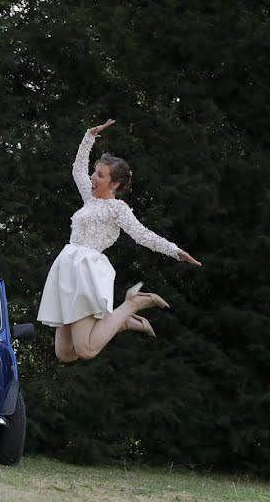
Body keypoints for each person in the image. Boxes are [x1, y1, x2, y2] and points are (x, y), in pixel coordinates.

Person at [37, 119, 201, 362]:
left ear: (114, 184)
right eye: (95, 171)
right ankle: (122, 323)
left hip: (85, 273)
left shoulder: (117, 209)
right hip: (66, 269)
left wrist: (175, 251)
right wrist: (88, 137)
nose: (93, 177)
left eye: (100, 175)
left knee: (86, 350)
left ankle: (134, 303)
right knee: (64, 354)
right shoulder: (90, 198)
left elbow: (142, 234)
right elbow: (77, 171)